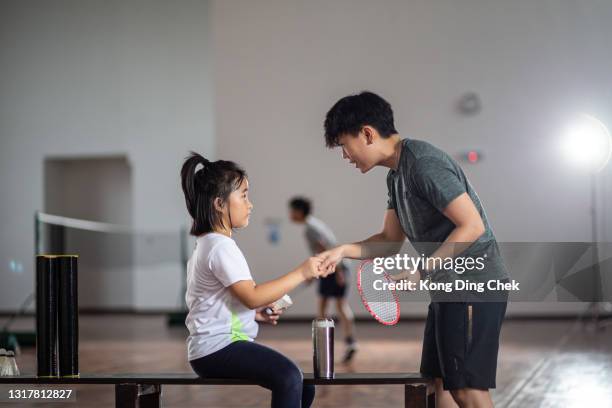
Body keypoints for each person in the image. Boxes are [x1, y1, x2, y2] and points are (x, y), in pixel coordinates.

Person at [318, 92, 509, 408]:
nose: (345, 156)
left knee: (467, 389)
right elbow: (390, 241)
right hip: (448, 289)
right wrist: (342, 251)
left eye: (343, 145)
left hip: (475, 285)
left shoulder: (423, 163)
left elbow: (472, 226)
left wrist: (423, 270)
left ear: (367, 133)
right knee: (438, 382)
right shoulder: (396, 176)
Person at [181, 152, 327, 408]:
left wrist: (255, 315)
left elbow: (227, 299)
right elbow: (252, 295)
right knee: (290, 377)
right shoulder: (220, 247)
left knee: (303, 384)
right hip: (216, 349)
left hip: (215, 347)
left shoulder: (210, 244)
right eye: (244, 195)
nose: (251, 204)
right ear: (219, 203)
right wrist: (302, 272)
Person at [288, 197, 357, 363]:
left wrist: (336, 271)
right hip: (337, 267)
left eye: (291, 211)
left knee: (324, 307)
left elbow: (326, 249)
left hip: (334, 268)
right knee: (340, 306)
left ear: (298, 211)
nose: (290, 214)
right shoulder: (314, 224)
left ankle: (325, 347)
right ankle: (349, 343)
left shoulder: (310, 229)